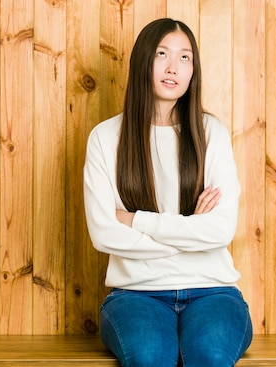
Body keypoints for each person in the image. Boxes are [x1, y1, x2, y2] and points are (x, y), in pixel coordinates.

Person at [83, 18, 252, 367]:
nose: (174, 66)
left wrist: (135, 220)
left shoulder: (211, 134)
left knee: (210, 356)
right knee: (149, 357)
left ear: (194, 71)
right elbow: (103, 233)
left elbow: (220, 230)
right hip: (136, 295)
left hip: (214, 292)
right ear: (143, 60)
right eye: (162, 54)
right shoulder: (105, 137)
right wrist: (191, 229)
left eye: (185, 57)